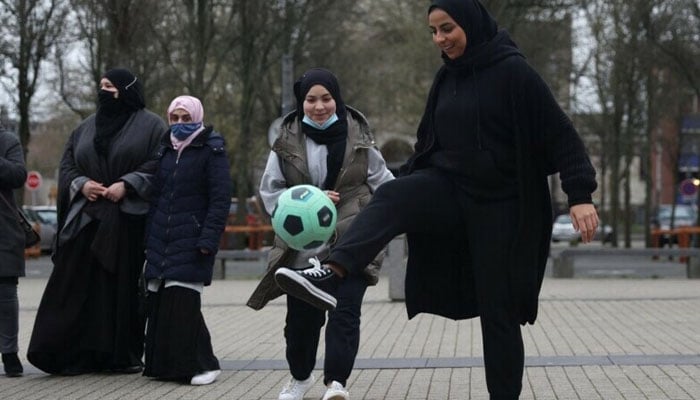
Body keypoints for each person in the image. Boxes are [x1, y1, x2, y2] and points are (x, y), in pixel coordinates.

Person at [273, 1, 600, 399]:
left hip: (501, 206)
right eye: (434, 31)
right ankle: (333, 272)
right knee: (395, 191)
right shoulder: (447, 78)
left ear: (470, 23)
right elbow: (428, 145)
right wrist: (405, 190)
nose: (440, 39)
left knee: (499, 314)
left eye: (447, 29)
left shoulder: (514, 72)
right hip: (449, 189)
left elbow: (561, 135)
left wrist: (580, 194)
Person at [247, 68, 394, 400]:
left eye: (326, 98)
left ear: (337, 99)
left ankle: (336, 383)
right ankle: (300, 378)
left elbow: (384, 185)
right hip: (303, 246)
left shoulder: (360, 137)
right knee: (300, 321)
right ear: (302, 103)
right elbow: (270, 191)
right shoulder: (286, 140)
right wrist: (309, 201)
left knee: (345, 313)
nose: (319, 106)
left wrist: (379, 223)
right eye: (311, 100)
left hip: (353, 242)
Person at [27, 68, 168, 375]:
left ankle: (117, 356)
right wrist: (82, 185)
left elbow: (160, 162)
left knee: (118, 291)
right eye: (101, 86)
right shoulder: (84, 128)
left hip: (127, 222)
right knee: (70, 284)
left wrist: (127, 184)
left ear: (127, 90)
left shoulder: (153, 125)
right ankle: (62, 352)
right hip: (86, 220)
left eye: (111, 86)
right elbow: (67, 166)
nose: (104, 91)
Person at [142, 95, 231, 386]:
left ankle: (205, 364)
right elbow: (156, 197)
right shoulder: (164, 150)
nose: (180, 124)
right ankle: (165, 367)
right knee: (163, 304)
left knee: (184, 305)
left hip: (193, 240)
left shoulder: (212, 150)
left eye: (186, 118)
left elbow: (219, 201)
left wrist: (207, 238)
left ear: (197, 117)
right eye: (175, 118)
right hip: (161, 241)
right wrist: (149, 237)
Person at [0, 127, 27, 377]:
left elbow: (18, 175)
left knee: (6, 292)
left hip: (3, 229)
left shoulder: (7, 140)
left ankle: (9, 352)